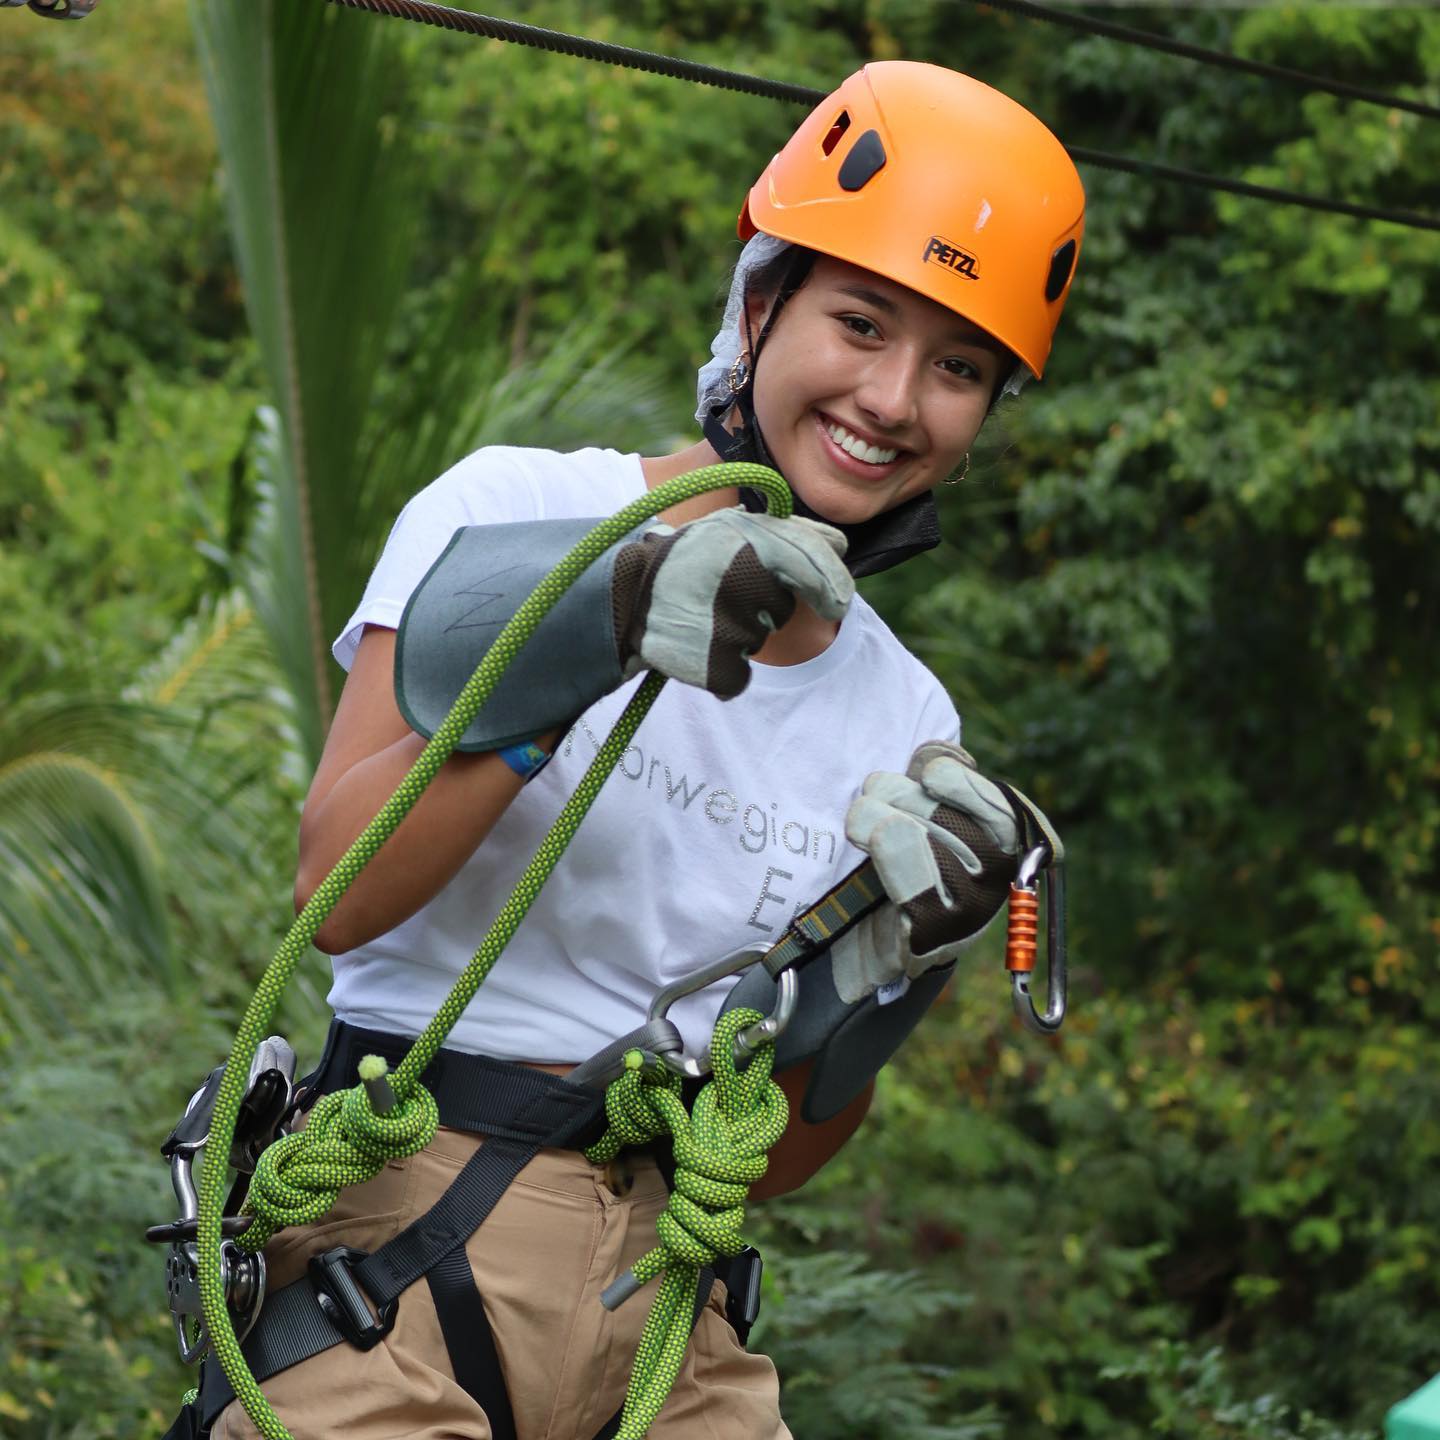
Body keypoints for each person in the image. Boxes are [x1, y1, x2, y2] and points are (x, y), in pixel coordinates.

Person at [210, 58, 1084, 1440]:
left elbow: (783, 1154)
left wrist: (884, 982)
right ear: (758, 304)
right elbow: (339, 892)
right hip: (400, 1234)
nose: (897, 399)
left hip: (671, 1296)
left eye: (960, 368)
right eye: (859, 322)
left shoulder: (906, 722)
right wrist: (601, 623)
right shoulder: (521, 511)